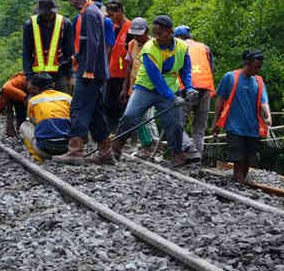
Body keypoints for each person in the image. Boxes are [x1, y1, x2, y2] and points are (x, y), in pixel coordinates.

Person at [113, 15, 199, 165]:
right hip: (146, 88)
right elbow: (156, 78)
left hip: (171, 89)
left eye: (160, 34)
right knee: (130, 115)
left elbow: (185, 71)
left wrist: (189, 88)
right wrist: (172, 98)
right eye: (155, 33)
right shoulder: (149, 48)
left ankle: (176, 153)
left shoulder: (183, 47)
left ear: (170, 32)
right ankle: (117, 146)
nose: (156, 37)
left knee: (175, 123)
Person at [53, 0, 113, 164]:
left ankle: (75, 151)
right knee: (95, 112)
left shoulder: (89, 13)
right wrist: (74, 58)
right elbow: (87, 44)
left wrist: (88, 70)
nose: (70, 1)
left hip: (90, 72)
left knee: (78, 108)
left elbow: (94, 44)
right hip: (93, 70)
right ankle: (105, 153)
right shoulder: (90, 12)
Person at [212, 50, 271, 186]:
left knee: (248, 159)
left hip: (252, 128)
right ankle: (239, 183)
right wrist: (215, 123)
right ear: (247, 63)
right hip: (234, 126)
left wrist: (268, 117)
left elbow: (264, 102)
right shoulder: (230, 77)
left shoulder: (258, 81)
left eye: (259, 67)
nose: (257, 70)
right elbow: (220, 100)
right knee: (238, 158)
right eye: (255, 67)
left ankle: (240, 183)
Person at [119, 16, 160, 159]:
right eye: (134, 33)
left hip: (149, 87)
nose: (137, 36)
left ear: (146, 31)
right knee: (136, 117)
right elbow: (129, 67)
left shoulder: (155, 45)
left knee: (147, 117)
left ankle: (153, 146)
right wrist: (125, 88)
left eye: (139, 33)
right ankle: (146, 146)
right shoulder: (131, 44)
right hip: (135, 87)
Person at [174, 25, 216, 157]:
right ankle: (198, 158)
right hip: (206, 87)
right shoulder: (204, 47)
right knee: (199, 128)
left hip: (187, 87)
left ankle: (189, 150)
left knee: (177, 123)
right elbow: (211, 68)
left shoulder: (177, 46)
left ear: (178, 37)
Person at [22, 0, 75, 95]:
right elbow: (26, 53)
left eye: (49, 13)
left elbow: (70, 53)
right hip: (37, 77)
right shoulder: (29, 25)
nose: (46, 16)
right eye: (44, 13)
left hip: (59, 75)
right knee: (37, 105)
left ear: (54, 11)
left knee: (62, 104)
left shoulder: (65, 24)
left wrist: (71, 76)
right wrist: (29, 78)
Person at [19, 73, 73, 162]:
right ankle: (76, 151)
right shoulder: (67, 97)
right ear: (53, 84)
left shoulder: (33, 101)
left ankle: (38, 158)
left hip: (45, 150)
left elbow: (33, 122)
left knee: (25, 125)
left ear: (35, 88)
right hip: (69, 148)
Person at [104, 0, 132, 135]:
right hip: (111, 73)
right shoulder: (112, 27)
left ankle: (124, 135)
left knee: (124, 106)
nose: (110, 18)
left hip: (125, 75)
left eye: (112, 15)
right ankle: (111, 134)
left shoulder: (131, 28)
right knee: (110, 105)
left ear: (120, 11)